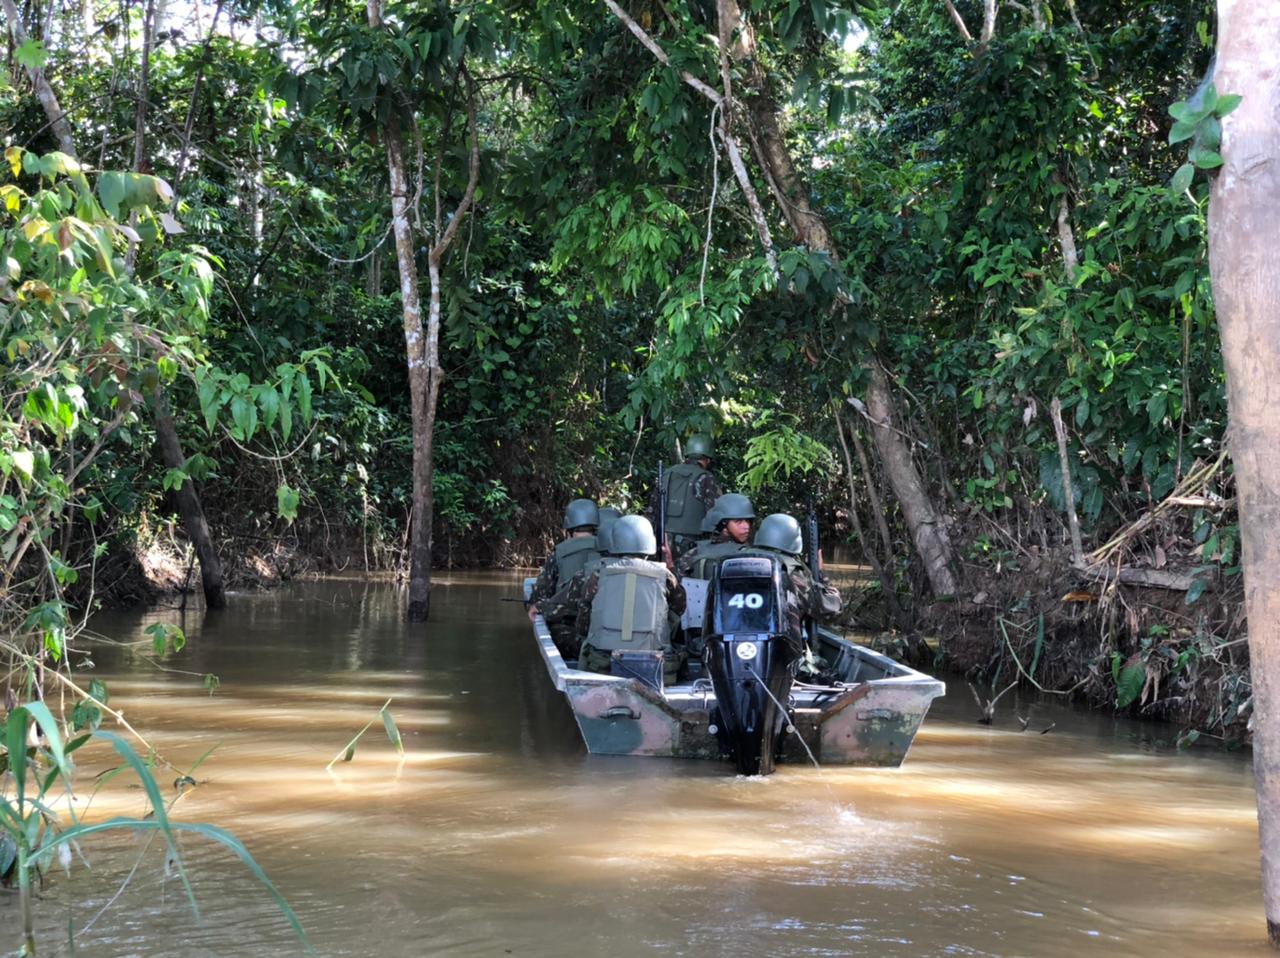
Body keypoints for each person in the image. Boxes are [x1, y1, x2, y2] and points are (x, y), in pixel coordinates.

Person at [547, 515, 686, 682]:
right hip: (652, 664)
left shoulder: (598, 573)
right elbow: (679, 608)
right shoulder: (665, 576)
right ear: (649, 542)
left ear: (615, 542)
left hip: (603, 664)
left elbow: (584, 622)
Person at [742, 513, 842, 652]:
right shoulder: (790, 571)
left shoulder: (739, 560)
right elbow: (830, 609)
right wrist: (820, 572)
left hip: (738, 644)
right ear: (794, 543)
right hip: (777, 651)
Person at [527, 498, 601, 655]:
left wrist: (537, 605)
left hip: (569, 628)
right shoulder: (608, 550)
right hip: (600, 628)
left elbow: (541, 595)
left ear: (569, 527)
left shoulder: (559, 553)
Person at [654, 433, 722, 564]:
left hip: (662, 541)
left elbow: (652, 510)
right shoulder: (706, 477)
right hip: (691, 546)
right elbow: (715, 516)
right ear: (707, 459)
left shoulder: (667, 474)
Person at [676, 493, 755, 580]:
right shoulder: (751, 557)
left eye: (748, 521)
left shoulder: (695, 552)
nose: (746, 526)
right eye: (738, 522)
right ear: (723, 524)